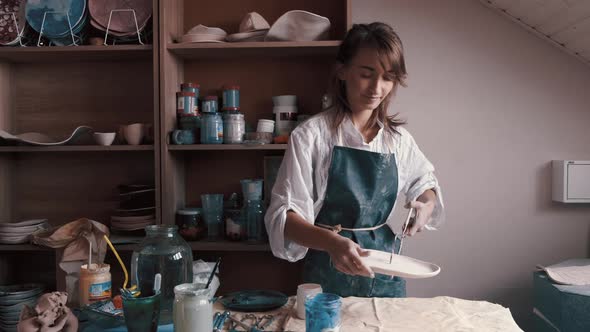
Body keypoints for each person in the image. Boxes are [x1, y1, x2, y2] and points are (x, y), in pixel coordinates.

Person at [264, 22, 445, 298]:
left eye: (388, 77)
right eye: (366, 74)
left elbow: (425, 183)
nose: (377, 87)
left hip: (385, 270)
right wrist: (333, 243)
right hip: (328, 271)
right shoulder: (311, 136)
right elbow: (284, 219)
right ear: (342, 70)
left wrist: (425, 205)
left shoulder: (398, 140)